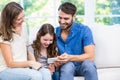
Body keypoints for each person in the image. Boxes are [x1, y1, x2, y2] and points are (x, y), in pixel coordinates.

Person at [54, 2, 98, 80]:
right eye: (60, 17)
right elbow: (48, 55)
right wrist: (56, 60)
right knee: (67, 66)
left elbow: (90, 56)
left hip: (82, 66)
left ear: (74, 16)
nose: (62, 21)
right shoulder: (54, 32)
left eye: (66, 18)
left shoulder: (84, 30)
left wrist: (70, 57)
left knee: (89, 65)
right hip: (66, 67)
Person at [0, 2, 43, 80]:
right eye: (19, 19)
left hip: (23, 67)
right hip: (6, 69)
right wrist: (30, 63)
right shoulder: (3, 35)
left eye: (23, 17)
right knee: (36, 76)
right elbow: (10, 63)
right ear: (9, 20)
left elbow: (28, 49)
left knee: (45, 73)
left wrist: (34, 63)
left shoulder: (23, 26)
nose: (23, 21)